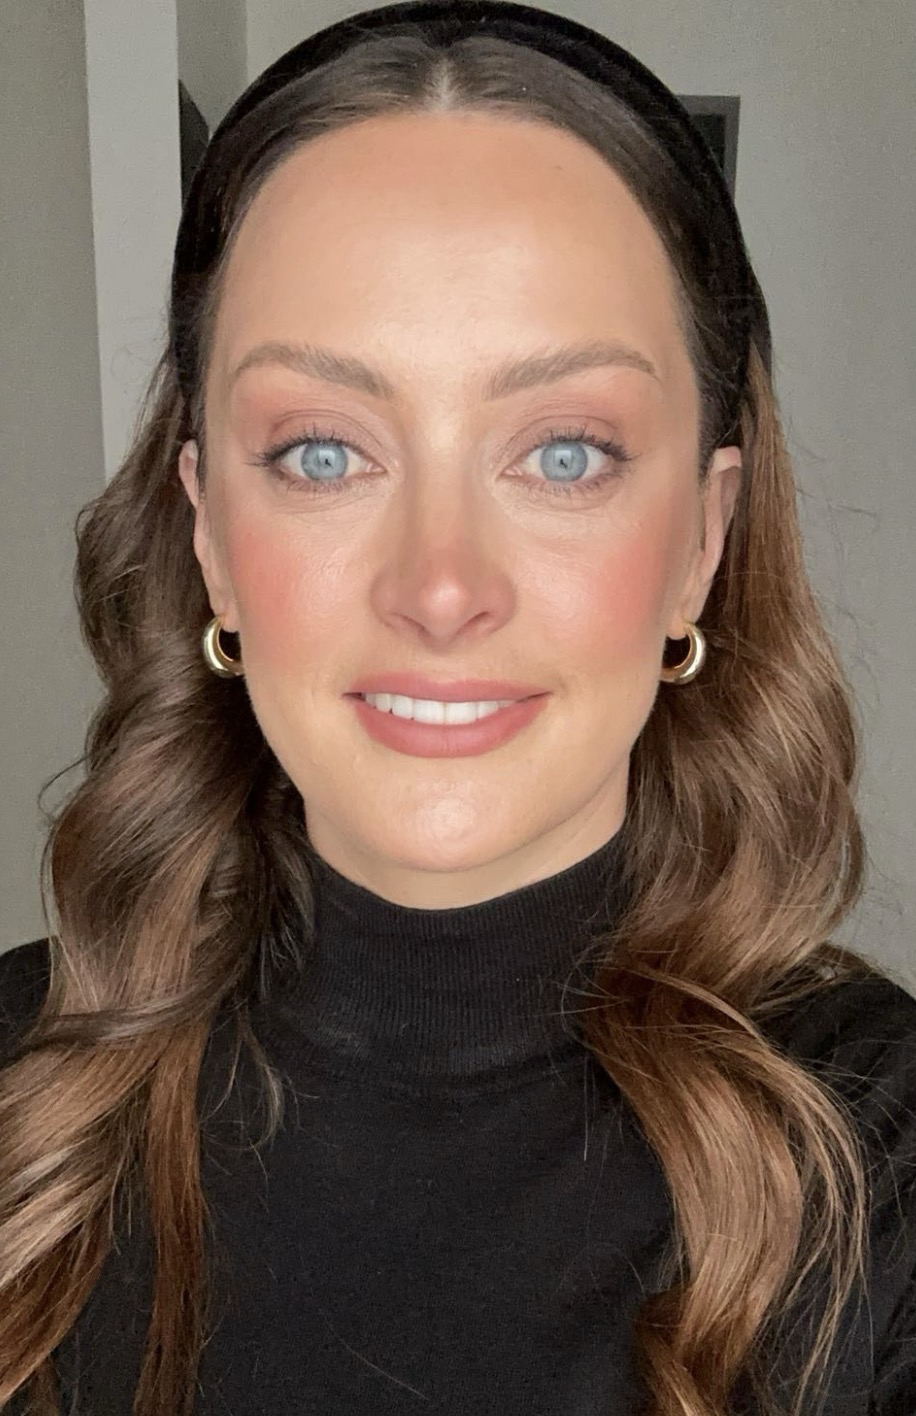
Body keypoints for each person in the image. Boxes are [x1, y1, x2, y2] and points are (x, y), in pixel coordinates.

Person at [1, 1, 914, 1412]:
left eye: (564, 453)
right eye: (322, 452)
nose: (440, 589)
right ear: (208, 535)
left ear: (702, 540)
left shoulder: (880, 1158)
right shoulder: (23, 1094)